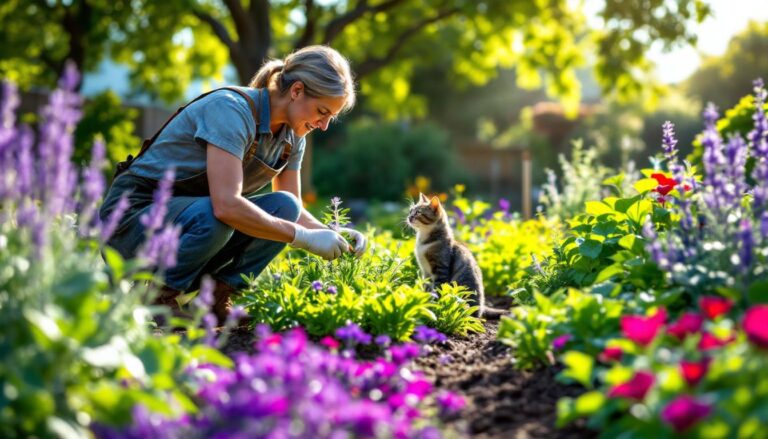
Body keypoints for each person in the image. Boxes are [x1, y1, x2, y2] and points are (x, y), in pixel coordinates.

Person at [98, 45, 367, 323]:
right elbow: (226, 206)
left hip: (187, 223)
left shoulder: (293, 136)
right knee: (219, 214)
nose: (324, 125)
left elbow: (293, 208)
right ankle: (157, 295)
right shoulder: (231, 110)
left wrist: (331, 233)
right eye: (322, 111)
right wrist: (303, 237)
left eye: (330, 117)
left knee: (283, 206)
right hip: (132, 220)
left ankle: (216, 298)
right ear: (296, 91)